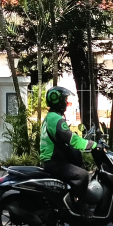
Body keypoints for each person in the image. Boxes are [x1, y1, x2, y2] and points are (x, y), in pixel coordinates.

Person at [40, 86, 96, 216]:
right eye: (64, 99)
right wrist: (91, 145)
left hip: (51, 160)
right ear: (58, 101)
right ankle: (81, 206)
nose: (66, 102)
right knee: (82, 175)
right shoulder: (56, 119)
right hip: (54, 162)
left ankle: (70, 201)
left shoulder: (51, 117)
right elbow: (70, 138)